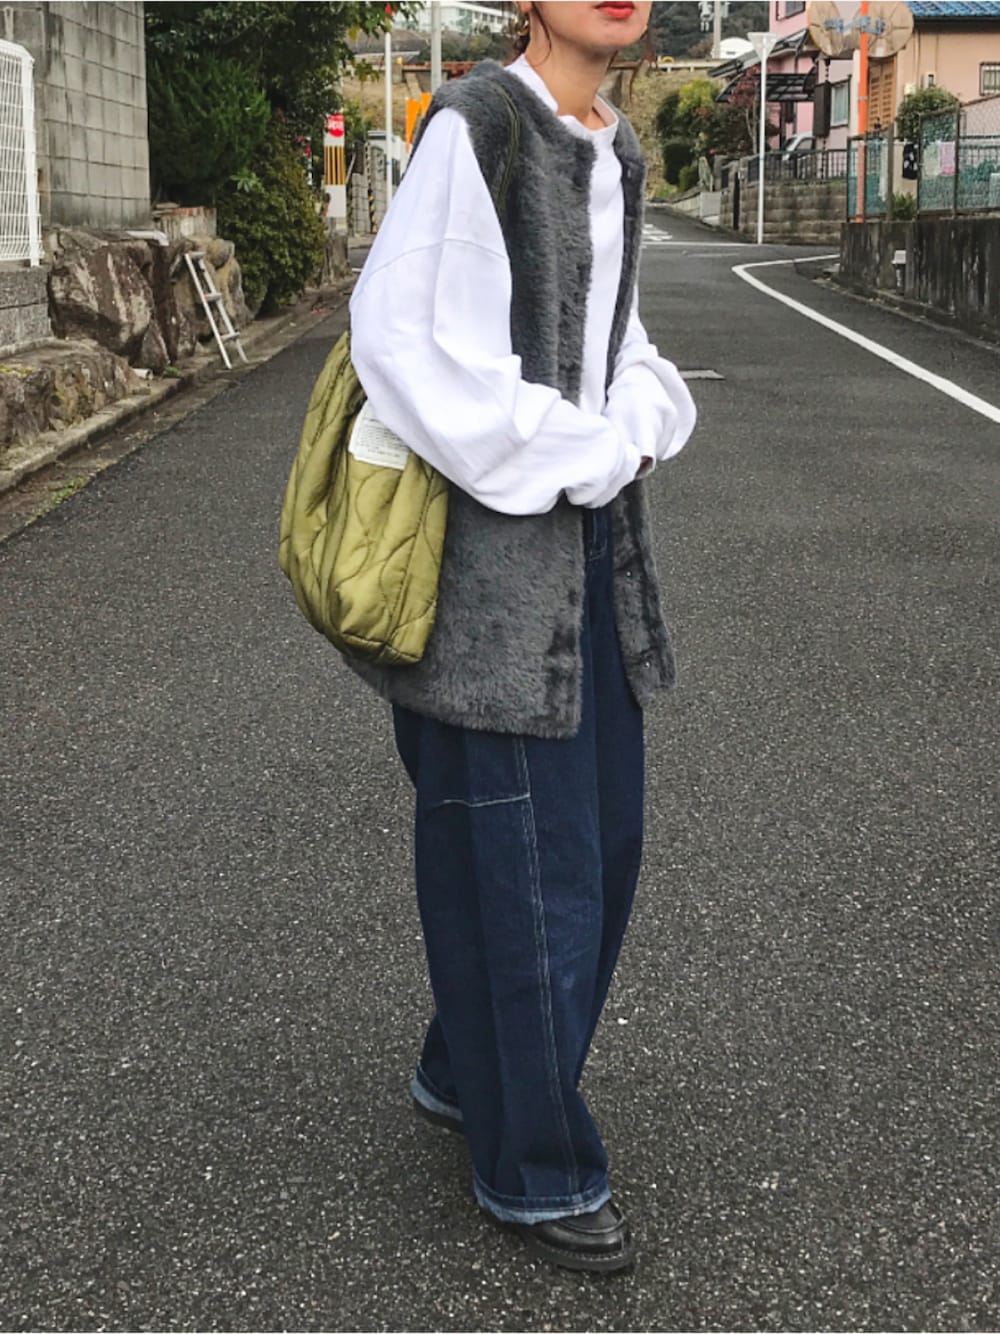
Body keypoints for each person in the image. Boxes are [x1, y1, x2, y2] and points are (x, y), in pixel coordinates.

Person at [347, 0, 696, 1273]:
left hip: (593, 553)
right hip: (491, 569)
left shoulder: (614, 141)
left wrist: (641, 419)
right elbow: (404, 342)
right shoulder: (480, 124)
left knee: (594, 840)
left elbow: (623, 339)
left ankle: (464, 1067)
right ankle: (534, 1167)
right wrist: (589, 451)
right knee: (530, 870)